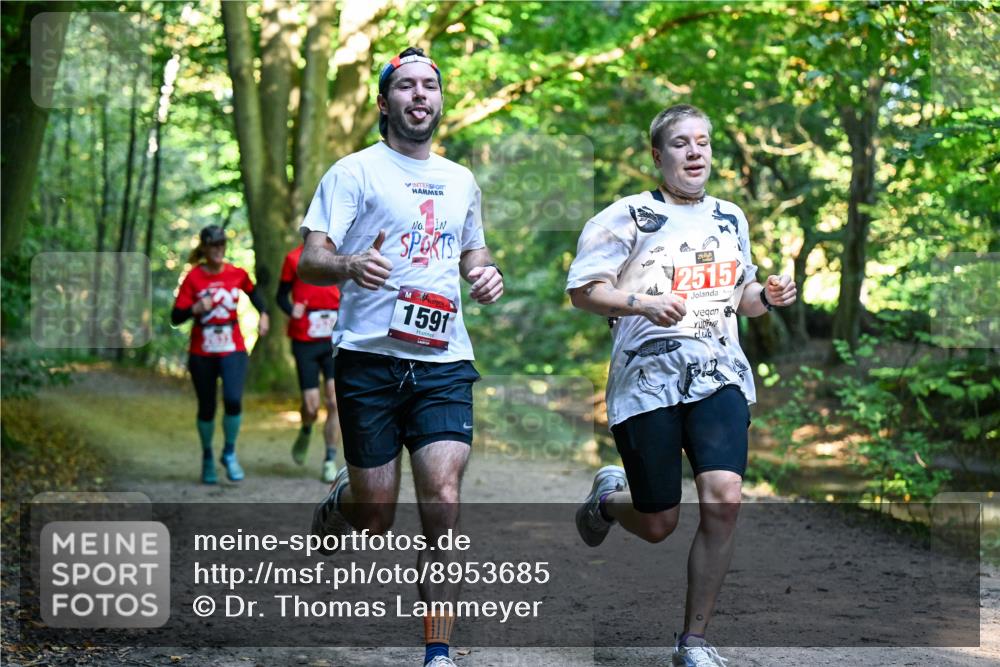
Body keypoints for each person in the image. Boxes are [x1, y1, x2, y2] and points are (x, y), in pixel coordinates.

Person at [566, 104, 796, 667]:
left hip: (719, 374)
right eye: (681, 143)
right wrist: (643, 302)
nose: (695, 153)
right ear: (658, 155)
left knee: (724, 500)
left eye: (703, 141)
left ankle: (693, 641)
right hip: (647, 381)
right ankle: (607, 502)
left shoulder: (730, 217)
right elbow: (582, 291)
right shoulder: (625, 217)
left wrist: (767, 297)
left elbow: (739, 299)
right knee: (658, 522)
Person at [297, 47, 503, 667]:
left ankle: (437, 650)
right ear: (384, 102)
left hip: (443, 360)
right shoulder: (353, 172)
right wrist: (351, 263)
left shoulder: (461, 180)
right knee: (376, 516)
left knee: (442, 497)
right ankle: (346, 502)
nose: (420, 95)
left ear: (440, 101)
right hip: (367, 359)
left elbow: (472, 252)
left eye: (430, 86)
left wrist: (484, 275)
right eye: (407, 86)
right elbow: (311, 258)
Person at [171, 224, 270, 484]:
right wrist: (195, 307)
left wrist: (264, 314)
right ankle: (207, 457)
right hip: (202, 350)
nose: (218, 249)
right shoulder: (193, 277)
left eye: (222, 244)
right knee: (207, 407)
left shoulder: (236, 273)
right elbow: (175, 317)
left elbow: (254, 293)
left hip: (232, 347)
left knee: (233, 399)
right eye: (213, 245)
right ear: (204, 248)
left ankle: (228, 452)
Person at [277, 244, 342, 482]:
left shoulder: (342, 255)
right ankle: (306, 428)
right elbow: (280, 296)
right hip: (304, 339)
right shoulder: (293, 258)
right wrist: (290, 309)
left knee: (334, 400)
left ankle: (329, 460)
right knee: (311, 406)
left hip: (334, 337)